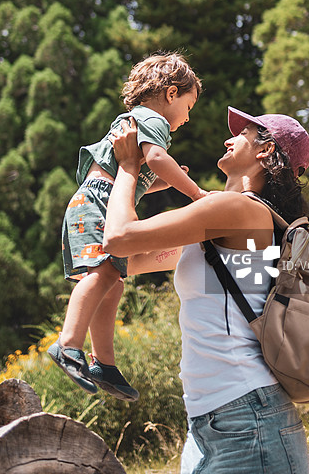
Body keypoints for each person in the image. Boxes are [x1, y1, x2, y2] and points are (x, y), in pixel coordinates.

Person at [103, 106, 309, 474]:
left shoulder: (237, 211)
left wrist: (127, 168)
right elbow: (129, 261)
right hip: (211, 422)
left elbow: (120, 239)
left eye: (244, 134)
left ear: (265, 152)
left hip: (248, 420)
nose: (228, 139)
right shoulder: (221, 222)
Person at [48, 52, 206, 401]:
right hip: (98, 202)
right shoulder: (153, 120)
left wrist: (165, 180)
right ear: (170, 94)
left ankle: (103, 362)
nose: (187, 117)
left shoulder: (137, 121)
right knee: (102, 275)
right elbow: (155, 159)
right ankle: (68, 344)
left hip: (94, 199)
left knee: (112, 283)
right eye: (189, 105)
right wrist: (195, 193)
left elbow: (139, 174)